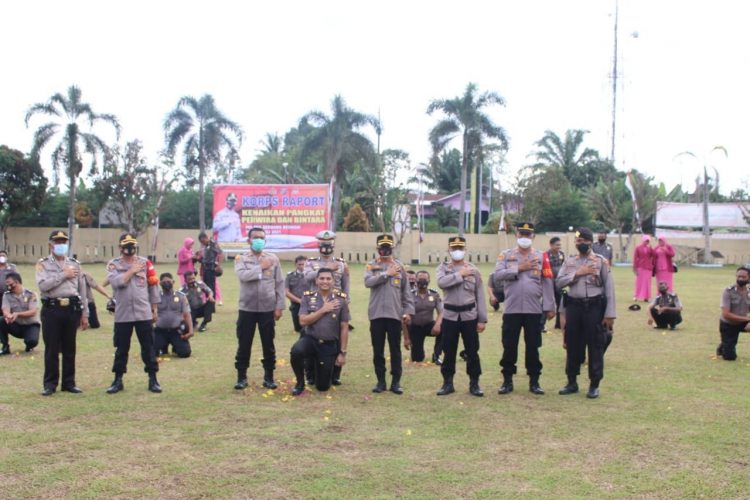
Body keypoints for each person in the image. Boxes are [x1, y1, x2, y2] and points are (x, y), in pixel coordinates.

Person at [494, 222, 556, 396]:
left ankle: (534, 381)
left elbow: (548, 281)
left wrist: (550, 306)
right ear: (516, 235)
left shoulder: (542, 256)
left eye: (528, 235)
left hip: (533, 310)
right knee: (509, 346)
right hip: (512, 309)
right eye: (522, 234)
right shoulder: (505, 255)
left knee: (533, 347)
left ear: (533, 237)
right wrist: (519, 268)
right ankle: (507, 381)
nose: (525, 238)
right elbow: (497, 276)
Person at [556, 227, 616, 399]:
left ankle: (594, 384)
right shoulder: (569, 261)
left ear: (590, 241)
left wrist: (609, 314)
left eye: (583, 241)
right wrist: (576, 274)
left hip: (594, 307)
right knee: (573, 344)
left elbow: (609, 288)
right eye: (578, 241)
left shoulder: (600, 261)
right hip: (574, 306)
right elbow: (559, 282)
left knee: (595, 345)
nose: (580, 244)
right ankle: (571, 381)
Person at [105, 233, 162, 394]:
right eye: (126, 246)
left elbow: (153, 287)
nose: (130, 249)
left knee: (148, 347)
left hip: (143, 313)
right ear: (120, 247)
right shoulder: (113, 264)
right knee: (121, 348)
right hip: (123, 314)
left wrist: (155, 308)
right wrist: (131, 271)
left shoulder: (145, 263)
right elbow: (116, 283)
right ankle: (118, 380)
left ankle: (153, 379)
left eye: (132, 246)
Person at [35, 230, 88, 396]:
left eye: (63, 242)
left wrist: (85, 313)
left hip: (71, 308)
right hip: (52, 309)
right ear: (50, 244)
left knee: (69, 347)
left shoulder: (75, 264)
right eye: (57, 242)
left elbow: (82, 289)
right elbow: (43, 286)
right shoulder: (43, 264)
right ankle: (50, 384)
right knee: (51, 348)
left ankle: (69, 383)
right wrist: (63, 275)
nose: (61, 245)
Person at [233, 227, 285, 390]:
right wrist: (261, 267)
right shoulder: (241, 258)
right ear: (248, 240)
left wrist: (279, 306)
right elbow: (243, 276)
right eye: (255, 237)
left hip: (267, 308)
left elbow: (280, 283)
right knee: (244, 343)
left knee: (268, 343)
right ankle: (241, 377)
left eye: (262, 238)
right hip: (246, 308)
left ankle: (269, 377)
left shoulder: (273, 259)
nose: (259, 240)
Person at [436, 237, 487, 397]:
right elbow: (441, 283)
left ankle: (474, 383)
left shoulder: (474, 270)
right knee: (448, 350)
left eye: (460, 247)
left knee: (472, 351)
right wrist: (460, 274)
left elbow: (480, 295)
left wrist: (482, 319)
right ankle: (448, 383)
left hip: (469, 316)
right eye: (454, 248)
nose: (457, 250)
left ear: (465, 250)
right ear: (449, 250)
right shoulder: (443, 269)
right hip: (450, 316)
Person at [364, 234, 415, 394]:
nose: (384, 250)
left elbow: (406, 293)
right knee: (378, 350)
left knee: (395, 350)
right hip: (377, 314)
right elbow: (368, 282)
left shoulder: (400, 267)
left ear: (392, 248)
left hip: (394, 315)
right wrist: (387, 274)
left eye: (387, 248)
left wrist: (408, 312)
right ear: (377, 249)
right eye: (382, 247)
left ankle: (395, 382)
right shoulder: (371, 266)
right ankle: (380, 381)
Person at [290, 268, 350, 396]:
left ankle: (323, 368)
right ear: (316, 281)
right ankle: (300, 383)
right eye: (322, 278)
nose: (325, 281)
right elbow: (302, 321)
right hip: (311, 340)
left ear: (333, 281)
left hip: (329, 344)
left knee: (322, 387)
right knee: (296, 351)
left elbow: (344, 327)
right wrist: (323, 310)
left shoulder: (341, 300)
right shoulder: (307, 297)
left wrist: (342, 353)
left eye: (328, 279)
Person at [303, 230, 350, 385]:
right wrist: (327, 269)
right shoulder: (310, 263)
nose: (326, 247)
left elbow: (345, 285)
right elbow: (307, 277)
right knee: (310, 337)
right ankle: (310, 374)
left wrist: (345, 304)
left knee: (336, 339)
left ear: (333, 245)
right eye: (323, 244)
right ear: (318, 245)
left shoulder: (342, 264)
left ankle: (335, 374)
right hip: (315, 304)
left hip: (336, 305)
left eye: (329, 244)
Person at [154, 272, 194, 358]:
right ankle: (163, 347)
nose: (166, 283)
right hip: (160, 330)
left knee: (185, 353)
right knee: (152, 353)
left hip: (176, 331)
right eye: (164, 282)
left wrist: (191, 331)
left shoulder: (181, 297)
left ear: (173, 282)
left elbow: (187, 315)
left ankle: (175, 347)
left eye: (169, 281)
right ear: (160, 283)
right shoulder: (156, 297)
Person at [1, 272, 40, 354]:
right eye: (6, 283)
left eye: (10, 283)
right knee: (1, 320)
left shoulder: (31, 294)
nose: (8, 286)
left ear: (17, 282)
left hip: (31, 325)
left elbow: (33, 312)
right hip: (17, 325)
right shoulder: (7, 295)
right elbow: (5, 309)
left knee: (32, 341)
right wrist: (8, 316)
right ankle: (5, 346)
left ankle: (29, 346)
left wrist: (18, 314)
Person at [716, 267, 750, 361]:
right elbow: (726, 314)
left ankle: (726, 342)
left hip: (742, 321)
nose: (741, 279)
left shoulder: (749, 291)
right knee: (729, 357)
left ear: (749, 278)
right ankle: (723, 346)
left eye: (743, 277)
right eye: (739, 276)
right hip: (728, 324)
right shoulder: (728, 291)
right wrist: (748, 319)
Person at [409, 270, 443, 363]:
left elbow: (441, 312)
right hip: (415, 327)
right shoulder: (410, 295)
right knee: (417, 358)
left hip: (429, 325)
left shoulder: (434, 294)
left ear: (429, 280)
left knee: (445, 328)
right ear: (416, 280)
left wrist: (437, 324)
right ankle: (416, 351)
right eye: (420, 279)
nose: (422, 281)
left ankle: (436, 355)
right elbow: (405, 314)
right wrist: (406, 336)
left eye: (425, 279)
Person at [195, 231, 223, 316]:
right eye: (201, 242)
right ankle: (208, 306)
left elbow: (221, 254)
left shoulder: (213, 243)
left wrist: (218, 266)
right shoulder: (206, 246)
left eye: (202, 241)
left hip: (211, 269)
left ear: (205, 238)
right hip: (205, 268)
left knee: (211, 288)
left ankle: (211, 308)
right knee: (206, 288)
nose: (202, 243)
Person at [544, 236, 566, 330]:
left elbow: (564, 266)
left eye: (560, 245)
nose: (559, 247)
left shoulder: (561, 254)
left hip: (559, 283)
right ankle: (541, 325)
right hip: (549, 282)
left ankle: (558, 324)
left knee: (560, 303)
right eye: (557, 245)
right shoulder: (546, 255)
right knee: (547, 303)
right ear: (551, 245)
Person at [285, 256, 308, 334]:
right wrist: (299, 301)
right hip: (296, 305)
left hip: (309, 304)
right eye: (299, 264)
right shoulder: (290, 276)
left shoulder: (311, 275)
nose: (302, 266)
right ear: (295, 264)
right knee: (298, 328)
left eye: (303, 264)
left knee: (308, 327)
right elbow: (286, 292)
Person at [633, 235, 654, 301]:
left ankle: (646, 297)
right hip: (640, 266)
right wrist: (635, 267)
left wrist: (651, 249)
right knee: (639, 282)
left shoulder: (649, 248)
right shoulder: (638, 248)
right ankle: (636, 296)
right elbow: (635, 258)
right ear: (643, 240)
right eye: (646, 241)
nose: (647, 242)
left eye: (648, 241)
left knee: (647, 282)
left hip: (648, 268)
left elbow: (653, 255)